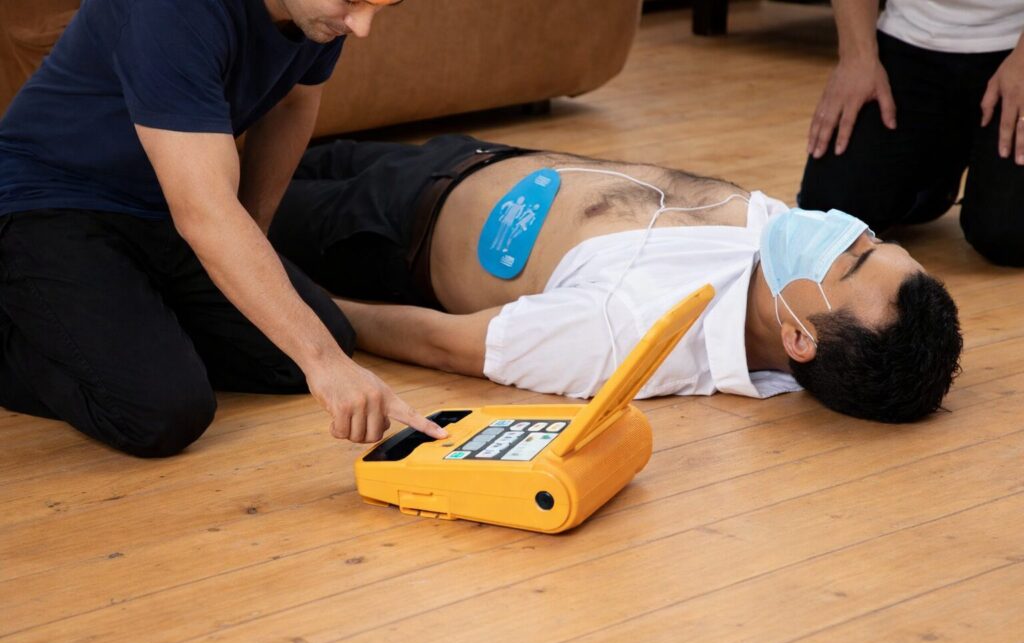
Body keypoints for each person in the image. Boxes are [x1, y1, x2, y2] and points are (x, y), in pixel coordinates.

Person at [0, 0, 446, 459]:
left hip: (162, 208)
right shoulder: (172, 12)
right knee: (161, 413)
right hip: (47, 203)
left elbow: (293, 100)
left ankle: (127, 331)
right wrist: (325, 363)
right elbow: (204, 212)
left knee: (298, 352)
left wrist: (249, 243)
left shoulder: (315, 16)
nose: (363, 26)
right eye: (352, 1)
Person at [269, 134, 964, 424]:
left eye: (853, 258)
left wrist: (303, 314)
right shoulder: (773, 243)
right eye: (877, 240)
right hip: (462, 155)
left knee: (188, 186)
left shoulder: (632, 332)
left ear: (799, 336)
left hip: (379, 227)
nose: (846, 232)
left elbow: (447, 344)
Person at [799, 0, 1024, 266]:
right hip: (910, 39)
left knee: (1007, 235)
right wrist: (856, 59)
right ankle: (935, 175)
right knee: (831, 214)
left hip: (1014, 46)